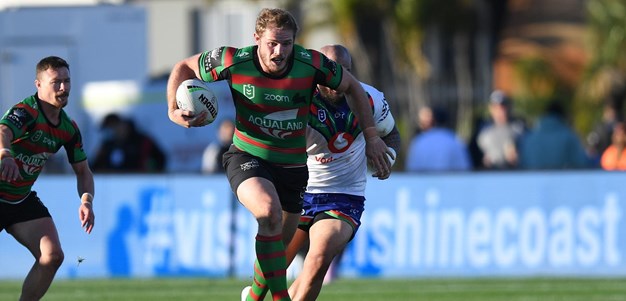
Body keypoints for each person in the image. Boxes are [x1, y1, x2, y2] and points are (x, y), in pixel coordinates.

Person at [165, 8, 391, 301]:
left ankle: (254, 297)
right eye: (272, 43)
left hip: (294, 168)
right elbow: (183, 67)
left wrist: (372, 137)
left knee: (279, 245)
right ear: (257, 38)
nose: (279, 51)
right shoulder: (233, 59)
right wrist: (172, 109)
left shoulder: (310, 64)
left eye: (286, 43)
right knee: (268, 212)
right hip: (247, 156)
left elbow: (352, 87)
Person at [243, 44, 401, 301]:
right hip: (299, 192)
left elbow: (392, 134)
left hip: (344, 196)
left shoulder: (369, 98)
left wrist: (387, 157)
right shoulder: (295, 99)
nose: (338, 80)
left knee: (317, 259)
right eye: (331, 71)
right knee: (276, 267)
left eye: (346, 71)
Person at [0, 56, 95, 300]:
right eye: (56, 82)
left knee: (52, 256)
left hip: (19, 200)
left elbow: (83, 171)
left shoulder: (68, 128)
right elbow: (3, 131)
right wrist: (5, 154)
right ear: (38, 85)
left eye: (67, 81)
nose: (63, 88)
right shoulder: (26, 112)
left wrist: (86, 200)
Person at [519, 101, 590, 169]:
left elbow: (523, 165)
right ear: (563, 117)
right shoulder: (569, 138)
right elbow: (580, 164)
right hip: (562, 180)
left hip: (532, 180)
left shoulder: (530, 139)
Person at [91, 113, 167, 173]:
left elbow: (160, 159)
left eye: (114, 126)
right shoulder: (107, 145)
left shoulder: (142, 141)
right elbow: (95, 166)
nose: (113, 131)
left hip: (138, 181)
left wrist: (149, 172)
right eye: (110, 129)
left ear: (123, 125)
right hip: (112, 183)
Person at [404, 105, 471, 172]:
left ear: (433, 120)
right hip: (449, 181)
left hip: (425, 181)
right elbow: (465, 167)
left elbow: (411, 168)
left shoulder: (419, 141)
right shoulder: (455, 141)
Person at [476, 90, 526, 169]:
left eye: (504, 107)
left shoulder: (519, 128)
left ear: (509, 107)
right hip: (491, 175)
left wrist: (518, 158)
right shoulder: (483, 131)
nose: (501, 111)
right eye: (497, 108)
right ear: (491, 108)